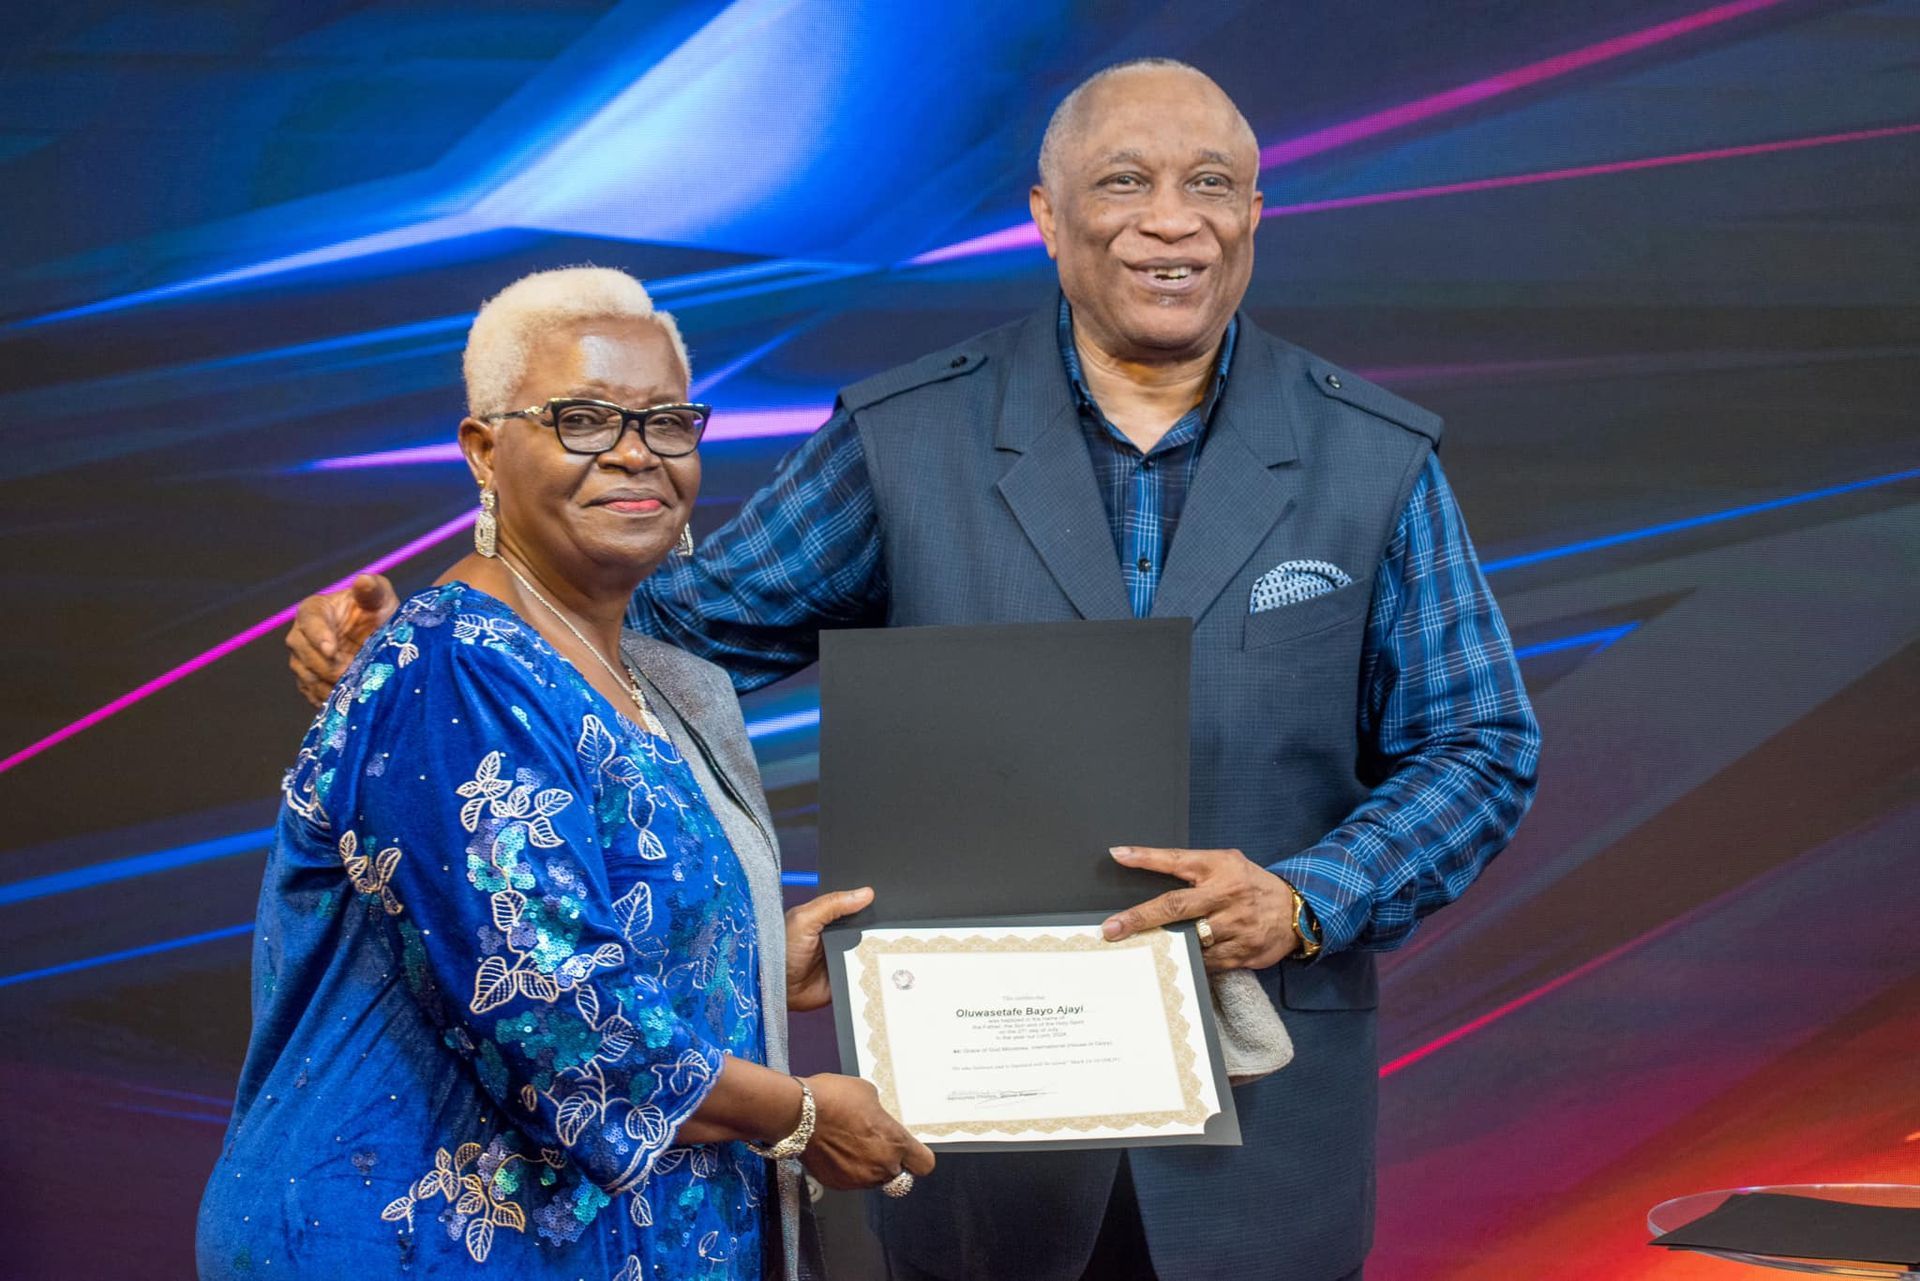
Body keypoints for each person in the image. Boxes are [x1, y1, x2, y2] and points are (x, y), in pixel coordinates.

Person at [289, 59, 1540, 1281]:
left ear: (1254, 214)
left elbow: (1482, 743)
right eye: (1124, 182)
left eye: (1211, 183)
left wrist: (1310, 897)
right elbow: (652, 619)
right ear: (1048, 219)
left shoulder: (1371, 457)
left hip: (1264, 1136)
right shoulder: (906, 439)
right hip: (976, 1130)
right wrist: (449, 637)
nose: (1175, 222)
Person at [204, 267, 933, 1281]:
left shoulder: (647, 681)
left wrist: (756, 954)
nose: (635, 454)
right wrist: (804, 1116)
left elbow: (606, 930)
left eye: (668, 422)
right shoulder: (452, 665)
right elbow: (555, 1012)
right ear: (483, 452)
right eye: (583, 420)